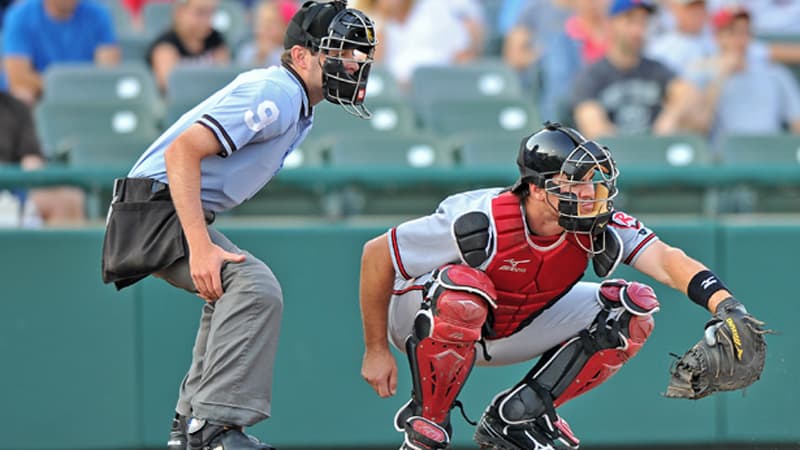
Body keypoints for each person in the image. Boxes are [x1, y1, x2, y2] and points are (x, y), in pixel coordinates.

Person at [358, 122, 762, 450]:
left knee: (632, 307)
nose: (589, 193)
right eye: (575, 182)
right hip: (423, 318)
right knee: (465, 289)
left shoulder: (598, 223)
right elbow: (377, 255)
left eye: (592, 181)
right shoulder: (479, 218)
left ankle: (518, 417)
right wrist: (376, 349)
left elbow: (666, 260)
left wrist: (726, 305)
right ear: (536, 187)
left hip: (509, 328)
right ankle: (429, 421)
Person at [101, 2, 377, 449]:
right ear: (302, 56)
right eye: (341, 52)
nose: (354, 64)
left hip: (157, 206)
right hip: (151, 208)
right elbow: (182, 152)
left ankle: (189, 426)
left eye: (359, 56)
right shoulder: (279, 92)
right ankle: (212, 429)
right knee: (254, 287)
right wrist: (199, 245)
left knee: (234, 291)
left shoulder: (296, 100)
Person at [570, 0, 705, 138]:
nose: (637, 30)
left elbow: (689, 94)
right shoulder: (592, 76)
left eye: (643, 22)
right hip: (615, 155)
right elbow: (595, 130)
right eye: (630, 21)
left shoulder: (655, 69)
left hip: (655, 153)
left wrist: (671, 117)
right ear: (610, 24)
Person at [698, 6, 800, 142]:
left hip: (771, 154)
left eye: (745, 32)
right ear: (717, 37)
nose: (740, 39)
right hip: (725, 157)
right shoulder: (702, 73)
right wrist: (721, 75)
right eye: (732, 32)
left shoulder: (775, 73)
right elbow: (698, 127)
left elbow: (797, 122)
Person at [2, 0, 119, 105]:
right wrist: (69, 88)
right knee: (22, 95)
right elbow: (17, 78)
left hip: (87, 98)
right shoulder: (20, 15)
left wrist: (69, 89)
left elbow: (106, 73)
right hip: (42, 96)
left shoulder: (98, 13)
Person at [0, 91, 85, 226]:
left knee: (68, 200)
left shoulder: (15, 108)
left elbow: (31, 160)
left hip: (8, 195)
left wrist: (30, 171)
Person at [146, 0, 231, 94]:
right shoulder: (165, 46)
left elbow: (224, 79)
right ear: (180, 12)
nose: (207, 20)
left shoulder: (216, 40)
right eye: (200, 13)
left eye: (211, 13)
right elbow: (170, 88)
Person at [236, 0, 298, 69]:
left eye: (271, 23)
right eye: (261, 23)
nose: (264, 28)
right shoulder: (247, 52)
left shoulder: (294, 56)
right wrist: (260, 57)